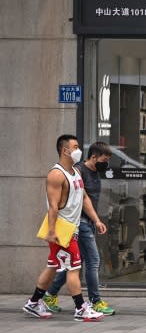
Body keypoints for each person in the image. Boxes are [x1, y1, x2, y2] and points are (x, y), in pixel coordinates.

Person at [22, 134, 106, 321]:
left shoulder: (76, 172)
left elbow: (84, 198)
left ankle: (34, 303)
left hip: (70, 228)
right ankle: (81, 309)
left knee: (53, 266)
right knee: (74, 268)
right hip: (62, 230)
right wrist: (52, 231)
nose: (78, 150)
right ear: (64, 150)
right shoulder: (56, 174)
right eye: (75, 147)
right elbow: (53, 206)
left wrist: (96, 220)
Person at [43, 141, 115, 316]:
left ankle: (49, 295)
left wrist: (96, 220)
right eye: (103, 160)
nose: (105, 164)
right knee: (93, 260)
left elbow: (89, 199)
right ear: (93, 157)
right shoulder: (79, 172)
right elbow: (80, 200)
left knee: (73, 263)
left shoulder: (95, 172)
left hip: (88, 222)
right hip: (78, 222)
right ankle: (95, 301)